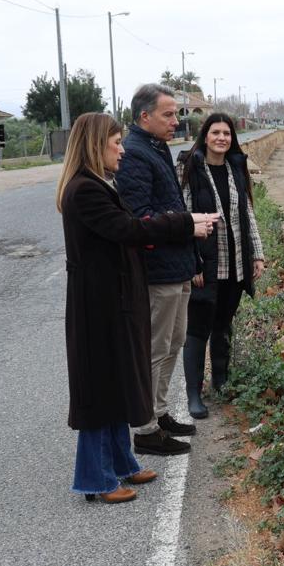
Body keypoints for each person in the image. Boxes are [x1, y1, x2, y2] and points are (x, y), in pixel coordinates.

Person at [57, 113, 218, 503]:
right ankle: (95, 479)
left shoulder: (97, 185)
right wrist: (184, 223)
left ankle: (122, 463)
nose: (122, 151)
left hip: (112, 301)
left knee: (116, 383)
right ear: (97, 145)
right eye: (115, 143)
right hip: (97, 307)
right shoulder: (84, 190)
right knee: (98, 390)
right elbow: (130, 230)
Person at [116, 84, 205, 456]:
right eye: (168, 114)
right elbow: (141, 218)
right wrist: (187, 224)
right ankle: (147, 427)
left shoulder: (156, 148)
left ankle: (161, 411)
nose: (176, 120)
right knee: (156, 347)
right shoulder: (136, 154)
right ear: (144, 117)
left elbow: (167, 202)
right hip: (159, 271)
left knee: (174, 343)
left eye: (177, 113)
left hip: (178, 266)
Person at [181, 113, 265, 418]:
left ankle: (221, 381)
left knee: (223, 322)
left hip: (235, 262)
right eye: (215, 132)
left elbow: (248, 214)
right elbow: (185, 218)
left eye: (226, 133)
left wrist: (257, 253)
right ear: (205, 136)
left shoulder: (236, 168)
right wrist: (194, 264)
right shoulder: (192, 169)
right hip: (205, 263)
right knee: (198, 328)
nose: (221, 138)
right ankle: (194, 394)